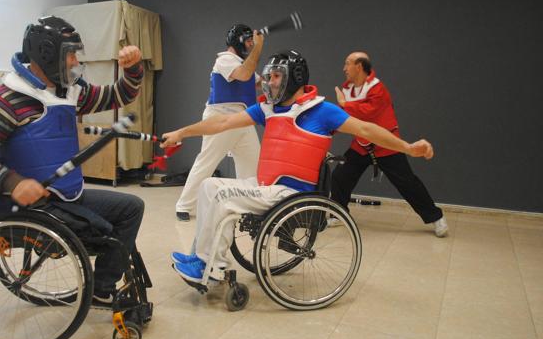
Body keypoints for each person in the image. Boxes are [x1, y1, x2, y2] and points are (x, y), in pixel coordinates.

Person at [161, 50, 435, 283]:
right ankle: (205, 259)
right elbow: (221, 122)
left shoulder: (322, 110)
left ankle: (209, 268)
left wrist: (408, 147)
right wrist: (182, 132)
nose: (269, 82)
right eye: (268, 76)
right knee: (209, 186)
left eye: (276, 76)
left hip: (290, 192)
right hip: (267, 186)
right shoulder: (268, 109)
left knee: (223, 195)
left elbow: (365, 128)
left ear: (295, 78)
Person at [0, 16, 145, 308]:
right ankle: (102, 286)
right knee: (108, 234)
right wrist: (14, 183)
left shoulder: (69, 93)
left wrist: (132, 68)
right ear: (47, 54)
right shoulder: (6, 99)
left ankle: (100, 288)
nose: (75, 61)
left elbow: (120, 94)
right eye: (70, 53)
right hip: (32, 206)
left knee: (132, 208)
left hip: (67, 196)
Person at [332, 51, 448, 237]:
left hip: (386, 145)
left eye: (348, 63)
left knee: (408, 183)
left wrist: (345, 105)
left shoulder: (378, 89)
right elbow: (344, 117)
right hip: (361, 145)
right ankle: (338, 214)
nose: (344, 68)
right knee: (340, 176)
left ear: (359, 66)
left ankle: (436, 217)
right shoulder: (346, 90)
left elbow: (367, 113)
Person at [174, 24, 265, 221]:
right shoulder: (225, 59)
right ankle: (184, 205)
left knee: (252, 165)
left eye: (252, 42)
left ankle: (249, 205)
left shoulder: (243, 62)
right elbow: (244, 74)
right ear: (238, 41)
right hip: (221, 118)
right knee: (207, 162)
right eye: (248, 41)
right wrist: (258, 47)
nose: (251, 45)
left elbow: (257, 82)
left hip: (242, 120)